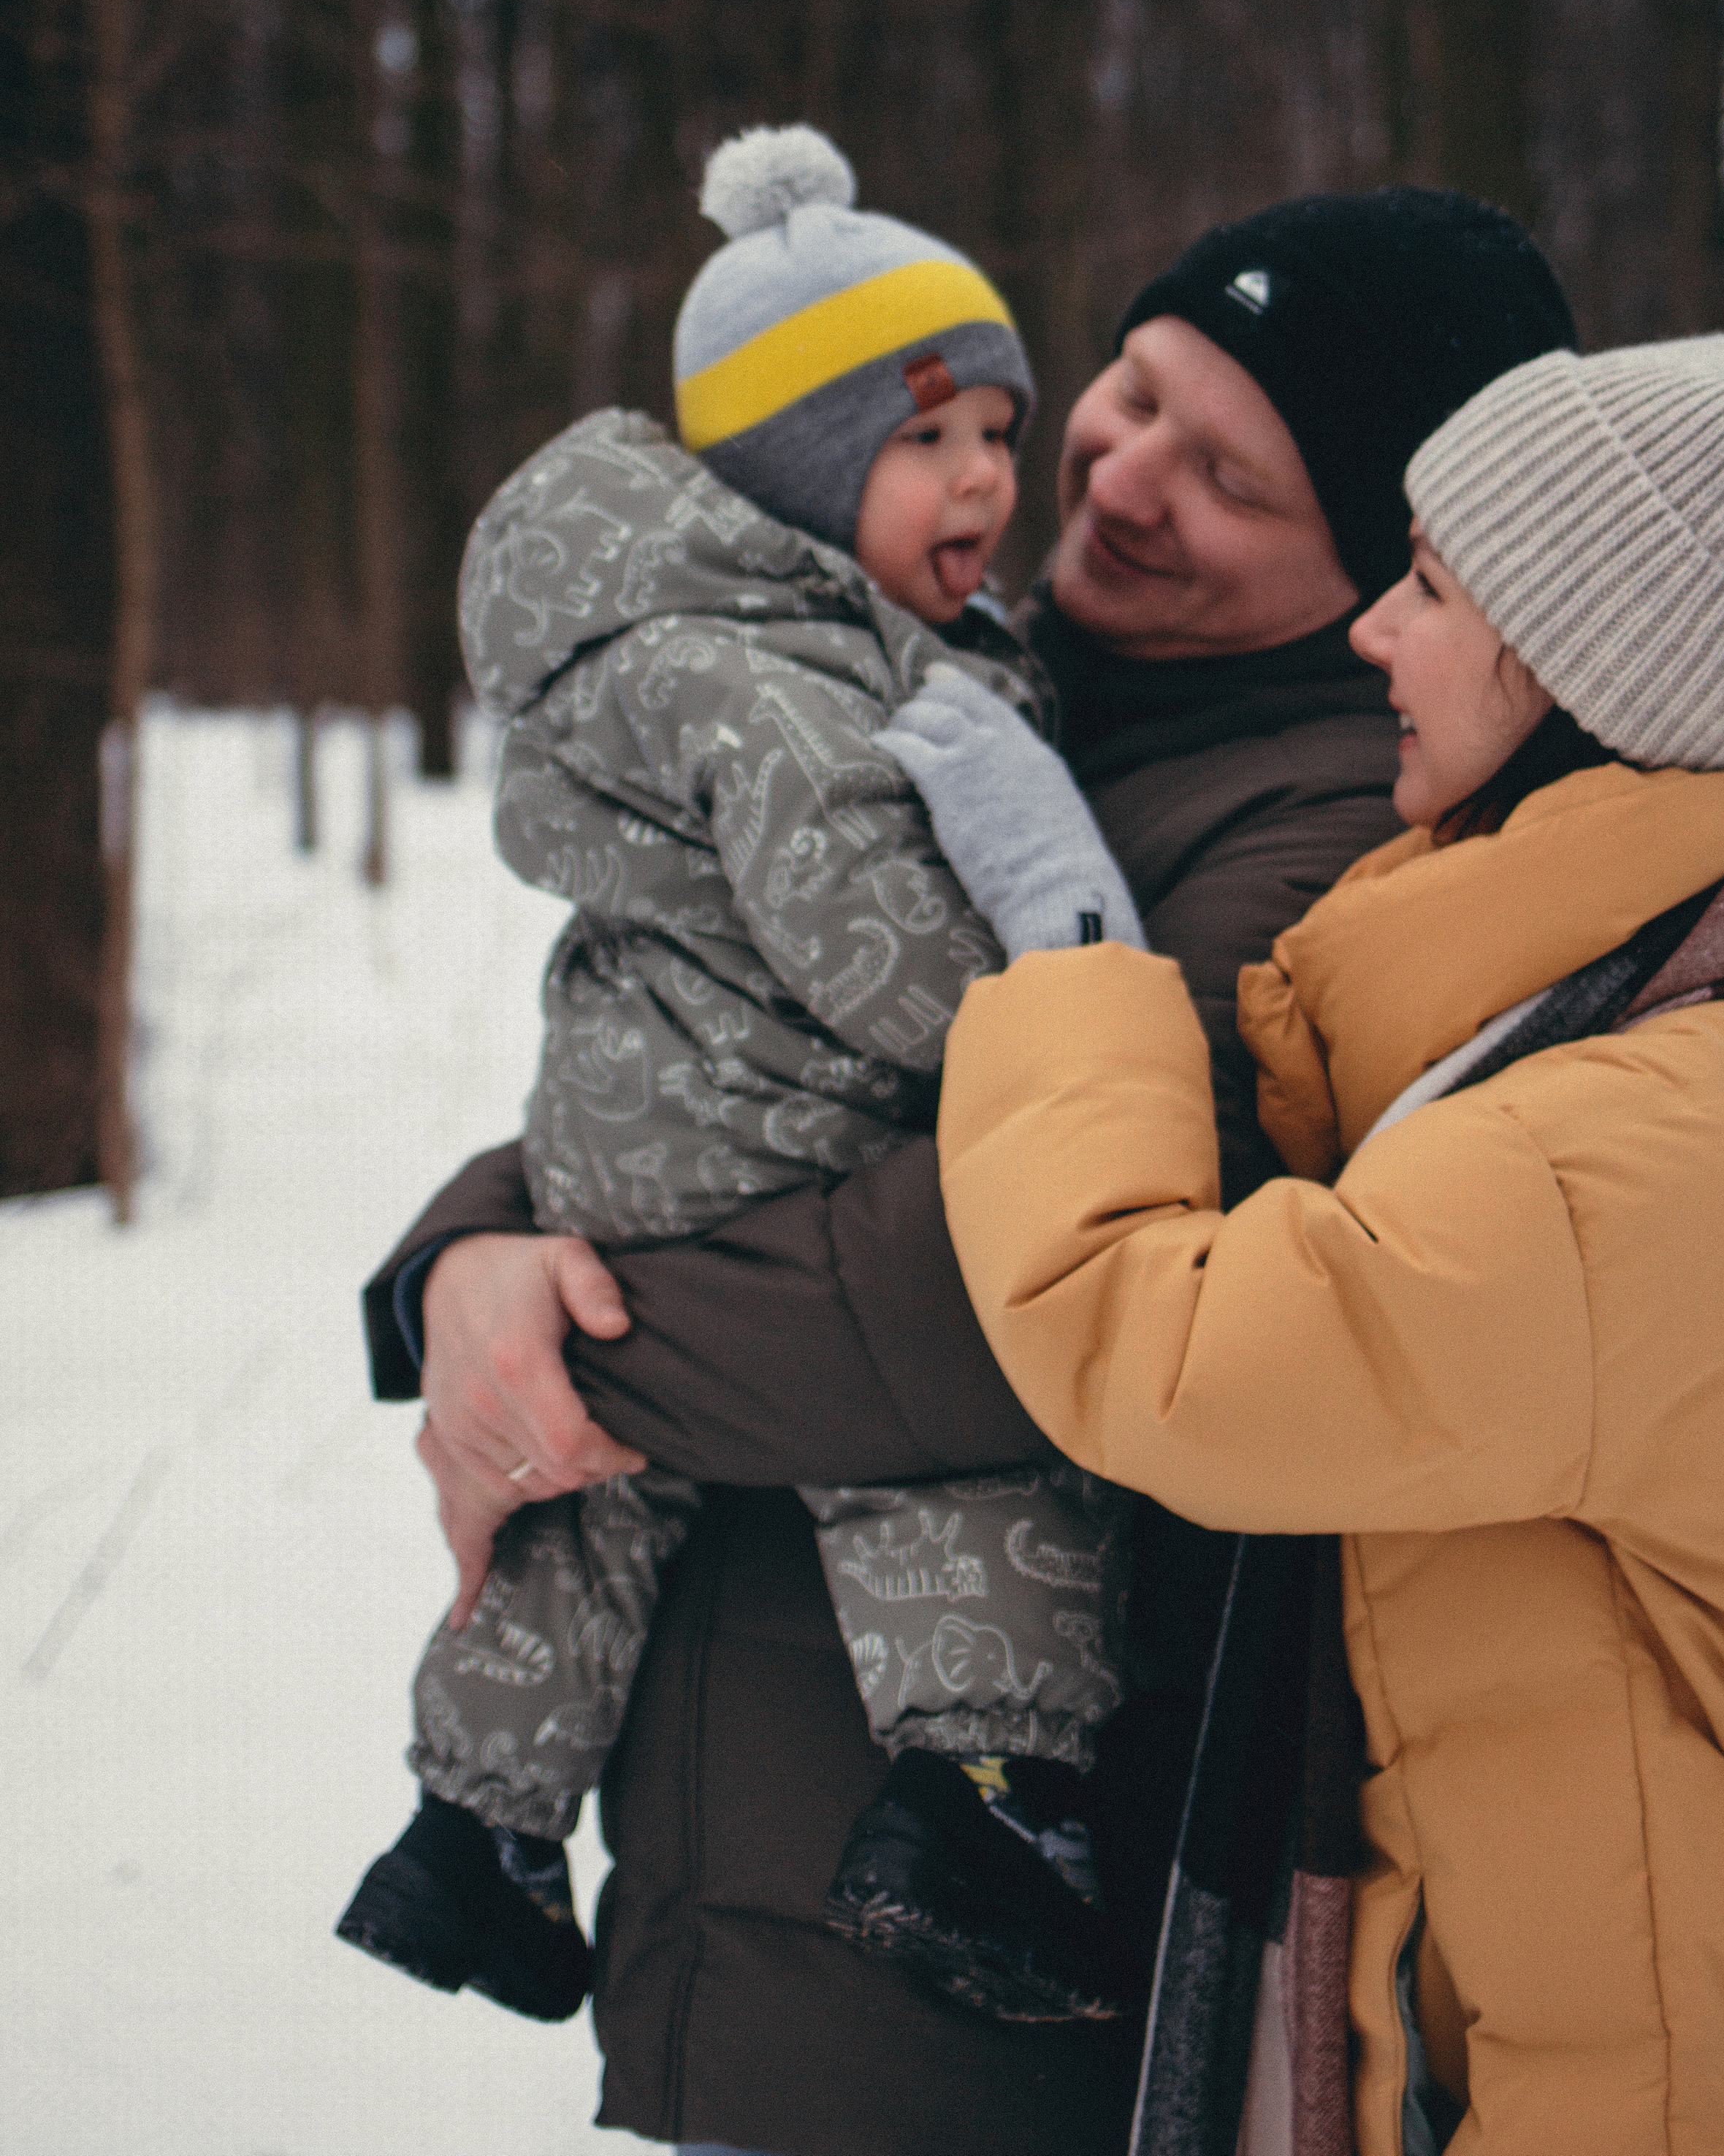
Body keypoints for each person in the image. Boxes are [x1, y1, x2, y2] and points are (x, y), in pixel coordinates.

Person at [359, 187, 1579, 2155]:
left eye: (1233, 477)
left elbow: (994, 1279)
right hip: (762, 1851)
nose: (1113, 468)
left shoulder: (1334, 848)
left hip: (958, 1930)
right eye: (1133, 390)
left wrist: (570, 1345)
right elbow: (721, 1058)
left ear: (1381, 569)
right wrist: (468, 1255)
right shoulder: (979, 664)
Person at [906, 312, 1724, 2154]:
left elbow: (1155, 1348)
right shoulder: (1723, 1038)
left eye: (1426, 585)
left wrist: (1075, 952)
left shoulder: (1614, 1157)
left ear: (1576, 662)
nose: (1371, 631)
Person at [339, 126, 1142, 2029]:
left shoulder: (747, 642)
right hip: (769, 1144)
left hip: (625, 1146)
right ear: (795, 469)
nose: (986, 483)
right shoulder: (779, 690)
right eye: (924, 439)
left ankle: (482, 1825)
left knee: (587, 1501)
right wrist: (1026, 1010)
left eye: (1000, 437)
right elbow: (863, 940)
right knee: (940, 1460)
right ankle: (987, 1802)